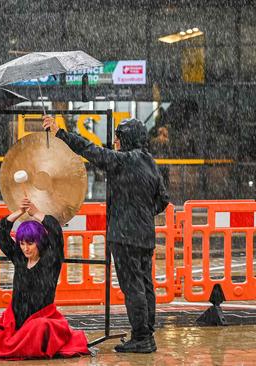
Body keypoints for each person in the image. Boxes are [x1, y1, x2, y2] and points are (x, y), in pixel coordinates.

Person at [43, 116, 169, 354]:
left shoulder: (122, 161)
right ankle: (146, 334)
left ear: (126, 139)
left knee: (133, 287)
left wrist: (61, 134)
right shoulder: (150, 162)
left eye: (118, 138)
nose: (115, 142)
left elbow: (89, 150)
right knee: (145, 284)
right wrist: (142, 212)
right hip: (144, 234)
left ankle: (141, 338)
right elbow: (163, 199)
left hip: (124, 235)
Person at [0, 197, 89, 360]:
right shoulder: (19, 258)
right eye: (22, 243)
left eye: (30, 243)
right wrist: (19, 212)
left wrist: (36, 213)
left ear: (40, 242)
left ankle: (20, 343)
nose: (25, 248)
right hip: (14, 323)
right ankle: (16, 341)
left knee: (38, 327)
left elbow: (56, 232)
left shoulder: (51, 260)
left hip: (40, 320)